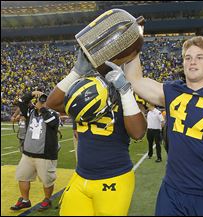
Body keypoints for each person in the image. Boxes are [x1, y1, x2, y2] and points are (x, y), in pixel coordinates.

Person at [106, 35, 203, 216]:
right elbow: (134, 80)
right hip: (172, 192)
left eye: (200, 57)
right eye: (188, 58)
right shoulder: (173, 91)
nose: (192, 62)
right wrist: (133, 41)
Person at [46, 49, 147, 216]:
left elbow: (138, 133)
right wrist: (76, 72)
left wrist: (125, 91)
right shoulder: (86, 89)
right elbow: (52, 103)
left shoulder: (126, 94)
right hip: (81, 175)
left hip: (113, 178)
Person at [10, 91, 59, 211]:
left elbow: (52, 123)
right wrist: (31, 94)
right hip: (28, 153)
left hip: (45, 154)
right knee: (22, 177)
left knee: (47, 180)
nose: (40, 102)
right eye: (39, 100)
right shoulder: (30, 112)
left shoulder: (52, 113)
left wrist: (42, 109)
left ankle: (47, 200)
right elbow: (21, 102)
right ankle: (25, 200)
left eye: (43, 100)